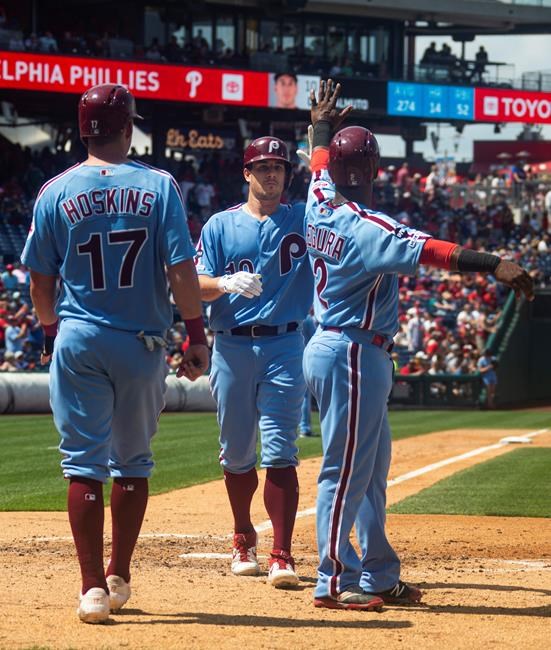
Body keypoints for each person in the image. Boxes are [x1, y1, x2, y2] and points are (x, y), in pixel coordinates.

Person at [302, 79, 534, 611]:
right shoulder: (368, 225)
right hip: (352, 352)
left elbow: (317, 162)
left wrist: (319, 125)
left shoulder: (319, 199)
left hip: (342, 345)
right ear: (377, 171)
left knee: (371, 471)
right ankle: (333, 580)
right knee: (344, 471)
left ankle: (379, 573)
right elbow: (433, 252)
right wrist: (495, 263)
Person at [21, 83, 209, 624]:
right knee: (132, 462)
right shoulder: (159, 185)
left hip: (79, 335)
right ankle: (120, 573)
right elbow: (180, 271)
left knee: (82, 466)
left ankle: (90, 590)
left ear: (84, 130)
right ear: (129, 127)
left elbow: (39, 281)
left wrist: (55, 334)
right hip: (139, 341)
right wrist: (196, 335)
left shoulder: (54, 191)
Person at [195, 136, 313, 589]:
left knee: (281, 448)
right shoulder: (220, 225)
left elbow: (343, 211)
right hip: (232, 345)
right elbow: (194, 284)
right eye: (262, 167)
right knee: (238, 449)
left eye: (279, 167)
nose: (271, 174)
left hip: (286, 342)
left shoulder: (303, 217)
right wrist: (224, 282)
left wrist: (320, 163)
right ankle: (243, 534)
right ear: (246, 173)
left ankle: (282, 552)